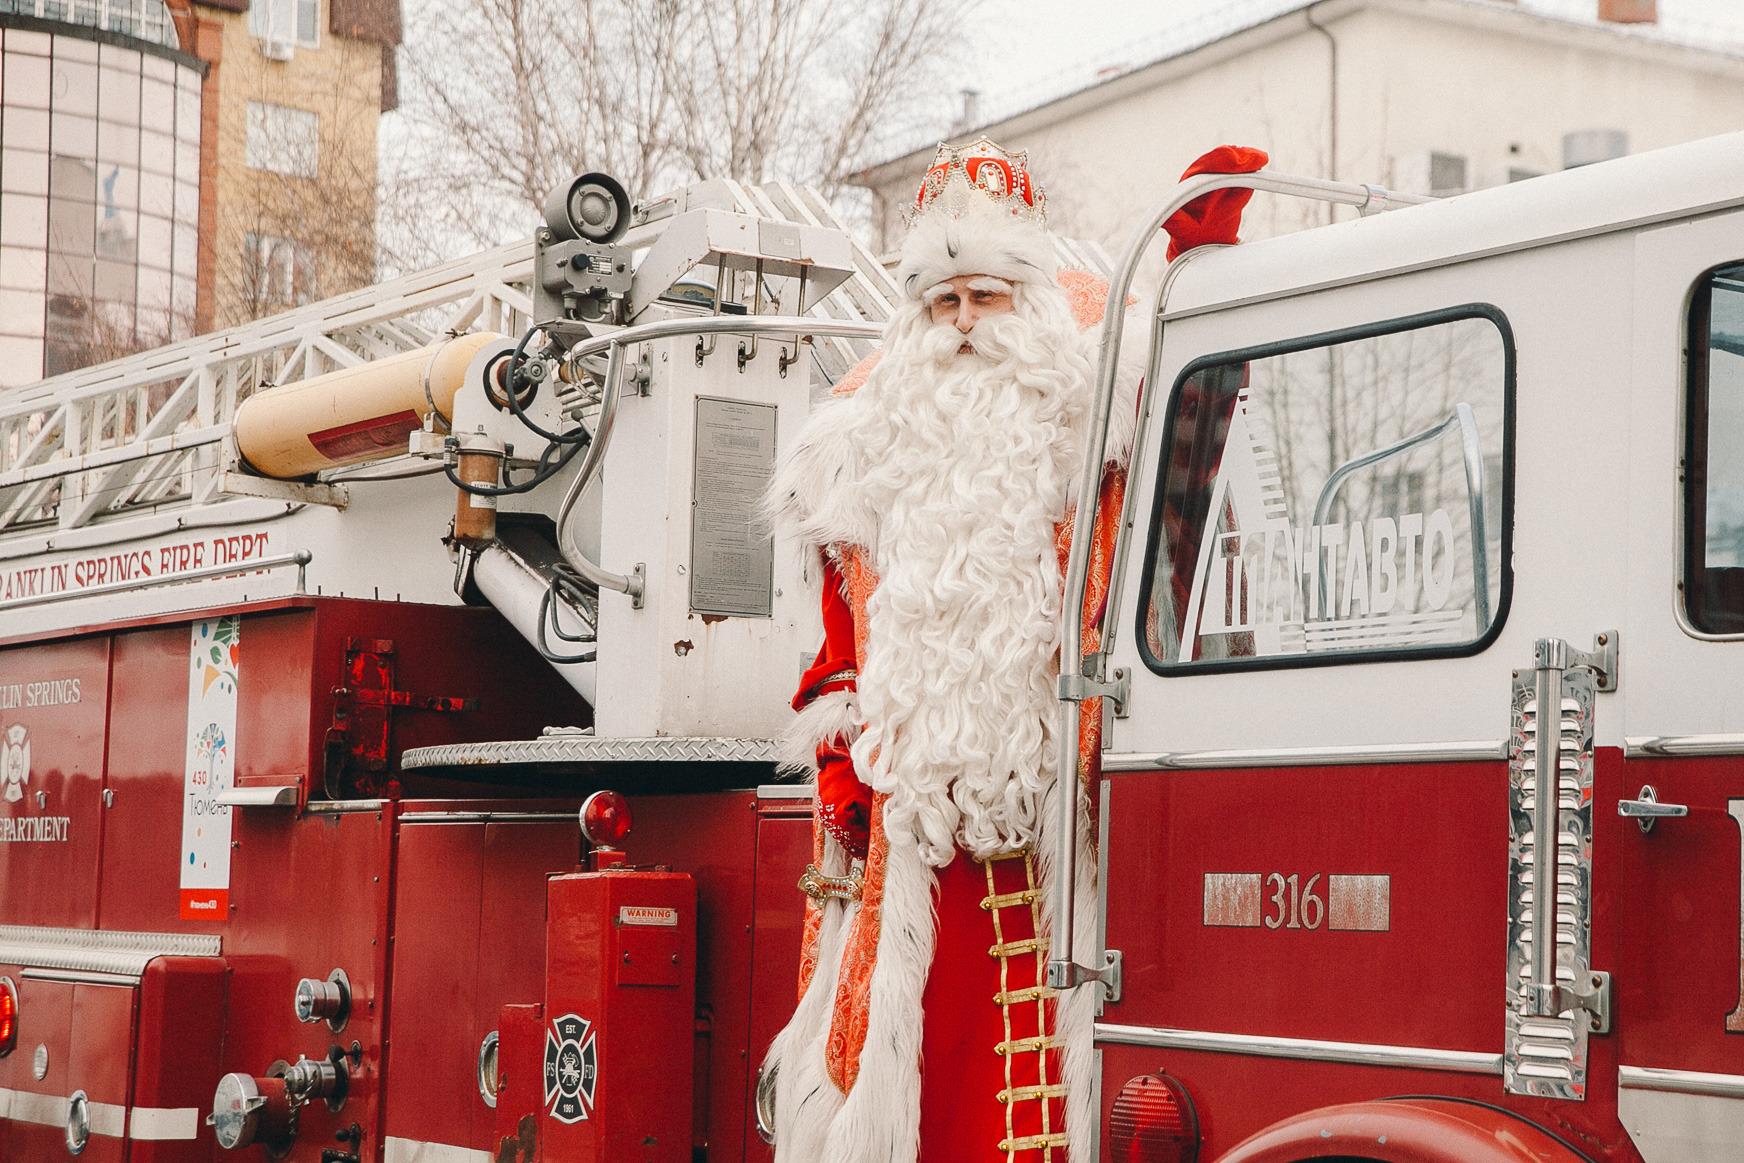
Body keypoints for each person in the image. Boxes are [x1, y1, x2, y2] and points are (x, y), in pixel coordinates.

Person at [761, 137, 1266, 1162]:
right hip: (914, 841)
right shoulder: (865, 447)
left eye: (983, 297)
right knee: (907, 1090)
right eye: (940, 303)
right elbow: (839, 647)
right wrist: (838, 761)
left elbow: (1190, 487)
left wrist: (1199, 275)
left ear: (1024, 301)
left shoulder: (1086, 416)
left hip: (1060, 833)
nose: (959, 325)